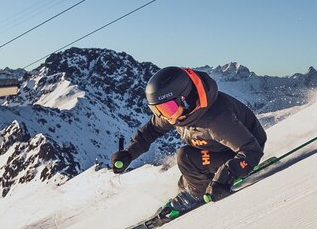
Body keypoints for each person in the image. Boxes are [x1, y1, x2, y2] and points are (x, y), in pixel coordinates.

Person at [111, 66, 267, 215]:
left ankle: (195, 195)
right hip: (216, 149)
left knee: (185, 157)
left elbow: (251, 150)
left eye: (166, 109)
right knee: (186, 179)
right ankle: (191, 192)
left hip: (240, 153)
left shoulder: (216, 120)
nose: (164, 116)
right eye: (156, 110)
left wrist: (225, 177)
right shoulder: (176, 113)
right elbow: (150, 131)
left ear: (184, 99)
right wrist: (129, 153)